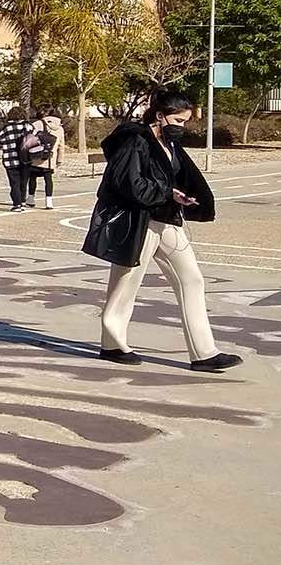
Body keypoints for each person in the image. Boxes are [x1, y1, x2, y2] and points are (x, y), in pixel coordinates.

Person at [89, 91, 240, 372]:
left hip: (166, 218)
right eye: (178, 119)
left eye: (186, 121)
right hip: (139, 221)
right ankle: (112, 345)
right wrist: (167, 192)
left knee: (191, 280)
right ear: (160, 115)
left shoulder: (168, 142)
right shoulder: (135, 140)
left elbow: (175, 175)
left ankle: (204, 353)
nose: (182, 126)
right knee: (125, 284)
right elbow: (127, 183)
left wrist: (183, 195)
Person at [0, 105, 37, 212]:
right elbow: (34, 138)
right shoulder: (28, 126)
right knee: (24, 181)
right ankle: (23, 202)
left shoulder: (5, 128)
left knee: (14, 182)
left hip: (10, 158)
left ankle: (17, 204)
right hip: (26, 158)